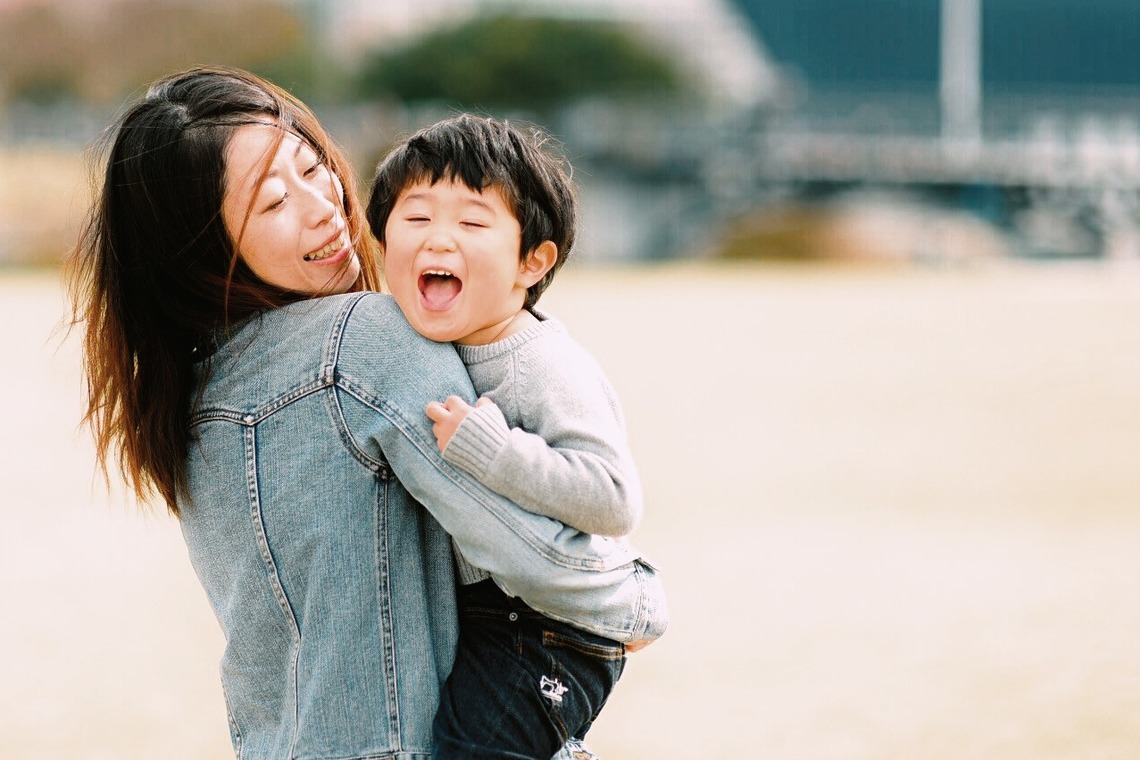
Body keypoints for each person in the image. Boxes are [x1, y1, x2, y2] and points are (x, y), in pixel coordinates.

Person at [66, 66, 666, 760]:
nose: (323, 206)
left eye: (312, 167)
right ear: (205, 250)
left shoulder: (185, 405)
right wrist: (637, 603)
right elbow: (527, 553)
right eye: (273, 202)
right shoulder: (366, 341)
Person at [366, 115, 668, 759]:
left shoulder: (543, 363)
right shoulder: (413, 343)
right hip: (491, 611)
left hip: (553, 626)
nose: (438, 238)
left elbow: (613, 498)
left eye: (473, 224)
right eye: (415, 217)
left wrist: (495, 451)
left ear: (532, 261)